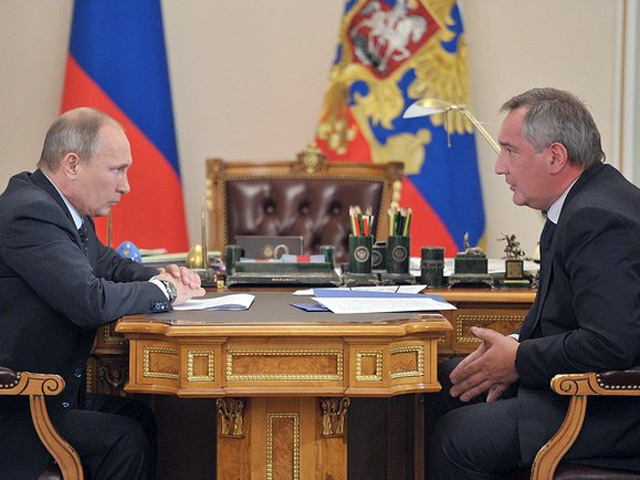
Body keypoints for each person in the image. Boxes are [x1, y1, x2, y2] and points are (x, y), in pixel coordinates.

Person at [425, 88, 640, 478]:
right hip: (579, 390)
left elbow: (609, 344)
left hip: (613, 410)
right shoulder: (579, 202)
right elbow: (564, 319)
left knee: (458, 436)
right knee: (445, 383)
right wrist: (513, 347)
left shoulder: (597, 217)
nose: (499, 166)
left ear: (555, 156)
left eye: (510, 151)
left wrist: (518, 358)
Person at [0, 107, 206, 480]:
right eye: (116, 170)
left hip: (50, 396)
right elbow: (90, 301)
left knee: (139, 417)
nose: (126, 186)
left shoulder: (61, 209)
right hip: (17, 409)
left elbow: (110, 266)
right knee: (124, 438)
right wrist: (164, 290)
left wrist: (165, 275)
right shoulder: (31, 213)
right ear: (72, 164)